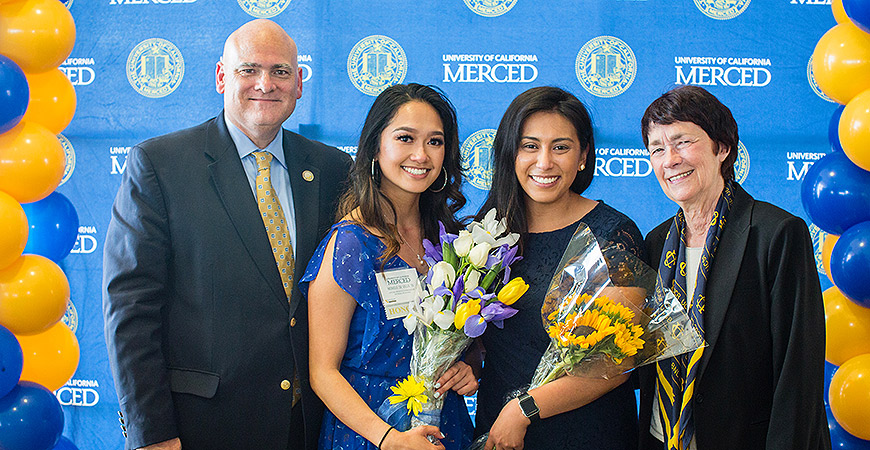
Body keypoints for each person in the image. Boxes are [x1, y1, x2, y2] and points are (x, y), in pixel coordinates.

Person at [103, 19, 352, 450]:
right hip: (202, 427)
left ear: (298, 84)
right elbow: (130, 309)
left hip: (310, 426)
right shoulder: (160, 165)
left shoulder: (332, 169)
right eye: (248, 69)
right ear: (221, 77)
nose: (265, 84)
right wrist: (151, 431)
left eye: (281, 72)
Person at [638, 85, 830, 450]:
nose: (670, 160)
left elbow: (797, 373)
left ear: (722, 147)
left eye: (682, 142)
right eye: (657, 149)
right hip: (661, 438)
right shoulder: (656, 242)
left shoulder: (776, 234)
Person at [301, 83, 476, 450]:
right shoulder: (350, 243)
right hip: (371, 433)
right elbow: (323, 372)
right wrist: (390, 439)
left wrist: (467, 367)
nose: (421, 155)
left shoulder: (453, 240)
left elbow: (460, 339)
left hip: (445, 426)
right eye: (405, 138)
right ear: (374, 149)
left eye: (435, 141)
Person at [473, 86, 643, 450]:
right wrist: (465, 365)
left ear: (583, 156)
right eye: (530, 146)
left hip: (586, 433)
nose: (544, 162)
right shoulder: (485, 234)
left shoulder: (613, 233)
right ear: (510, 154)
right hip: (499, 434)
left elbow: (617, 361)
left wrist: (523, 411)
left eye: (560, 147)